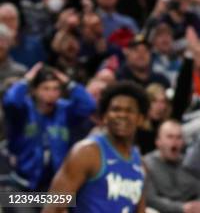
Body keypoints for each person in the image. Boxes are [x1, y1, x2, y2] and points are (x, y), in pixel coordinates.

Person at [43, 81, 149, 213]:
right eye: (116, 109)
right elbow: (53, 206)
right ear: (104, 117)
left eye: (129, 111)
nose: (122, 115)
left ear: (140, 119)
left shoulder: (140, 164)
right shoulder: (86, 152)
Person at [3, 63, 96, 191]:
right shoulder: (23, 110)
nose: (51, 94)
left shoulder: (65, 110)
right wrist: (26, 80)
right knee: (12, 202)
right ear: (34, 91)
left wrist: (69, 83)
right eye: (45, 88)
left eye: (56, 89)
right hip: (21, 184)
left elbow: (89, 106)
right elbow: (11, 101)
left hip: (56, 187)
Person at [143, 120, 200, 213]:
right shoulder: (146, 164)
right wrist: (182, 208)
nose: (175, 142)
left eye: (179, 137)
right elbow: (150, 199)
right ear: (158, 141)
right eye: (170, 137)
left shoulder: (189, 163)